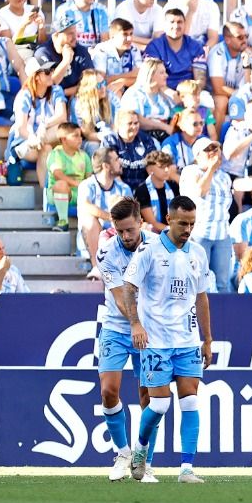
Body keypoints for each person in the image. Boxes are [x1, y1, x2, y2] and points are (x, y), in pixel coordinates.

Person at [121, 195, 213, 486]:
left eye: (192, 224)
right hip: (156, 341)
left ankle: (186, 468)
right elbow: (128, 286)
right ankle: (141, 448)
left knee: (190, 401)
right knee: (159, 405)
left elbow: (201, 297)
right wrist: (135, 323)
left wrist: (207, 339)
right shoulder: (148, 251)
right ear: (169, 219)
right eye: (183, 223)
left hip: (187, 340)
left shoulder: (198, 252)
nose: (188, 229)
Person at [96, 197, 147, 482]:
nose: (126, 236)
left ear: (141, 222)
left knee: (147, 397)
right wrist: (135, 323)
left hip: (150, 330)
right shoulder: (106, 253)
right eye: (120, 231)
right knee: (108, 391)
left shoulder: (157, 247)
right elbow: (118, 299)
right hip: (117, 328)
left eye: (130, 229)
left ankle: (143, 459)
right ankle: (123, 452)